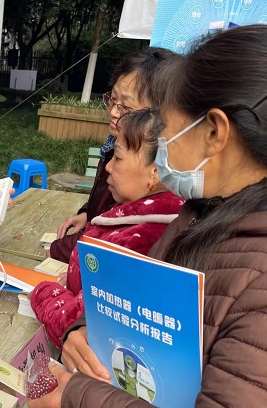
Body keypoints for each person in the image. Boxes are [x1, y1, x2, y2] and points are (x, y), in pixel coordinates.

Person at [28, 25, 267, 408]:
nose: (163, 151)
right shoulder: (202, 213)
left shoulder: (255, 276)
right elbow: (144, 306)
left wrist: (79, 404)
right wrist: (87, 327)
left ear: (215, 131)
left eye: (169, 132)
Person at [30, 109, 183, 348]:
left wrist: (43, 293)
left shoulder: (138, 239)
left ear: (155, 172)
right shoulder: (153, 218)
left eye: (118, 158)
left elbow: (78, 328)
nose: (109, 167)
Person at [49, 48, 181, 263]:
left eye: (126, 106)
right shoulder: (113, 142)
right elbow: (107, 198)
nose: (112, 112)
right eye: (112, 98)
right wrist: (88, 214)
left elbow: (108, 234)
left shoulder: (154, 170)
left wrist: (57, 249)